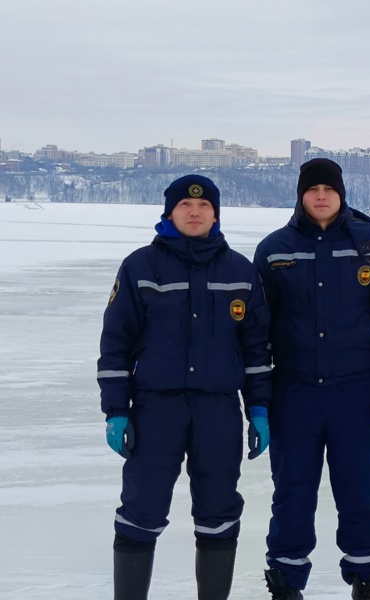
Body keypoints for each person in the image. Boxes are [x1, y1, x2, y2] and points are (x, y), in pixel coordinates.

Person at [97, 174, 272, 600]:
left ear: (215, 214)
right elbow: (115, 343)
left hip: (218, 410)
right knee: (141, 509)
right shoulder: (139, 267)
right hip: (156, 408)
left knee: (219, 512)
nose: (195, 212)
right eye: (185, 206)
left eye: (204, 207)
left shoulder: (240, 271)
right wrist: (117, 409)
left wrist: (260, 409)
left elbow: (256, 349)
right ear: (170, 212)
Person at [254, 158, 370, 599]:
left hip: (356, 392)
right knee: (292, 492)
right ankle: (286, 584)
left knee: (361, 489)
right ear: (301, 195)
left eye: (329, 188)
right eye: (312, 189)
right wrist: (258, 397)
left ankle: (367, 581)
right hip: (294, 392)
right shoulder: (274, 250)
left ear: (341, 194)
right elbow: (257, 330)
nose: (320, 195)